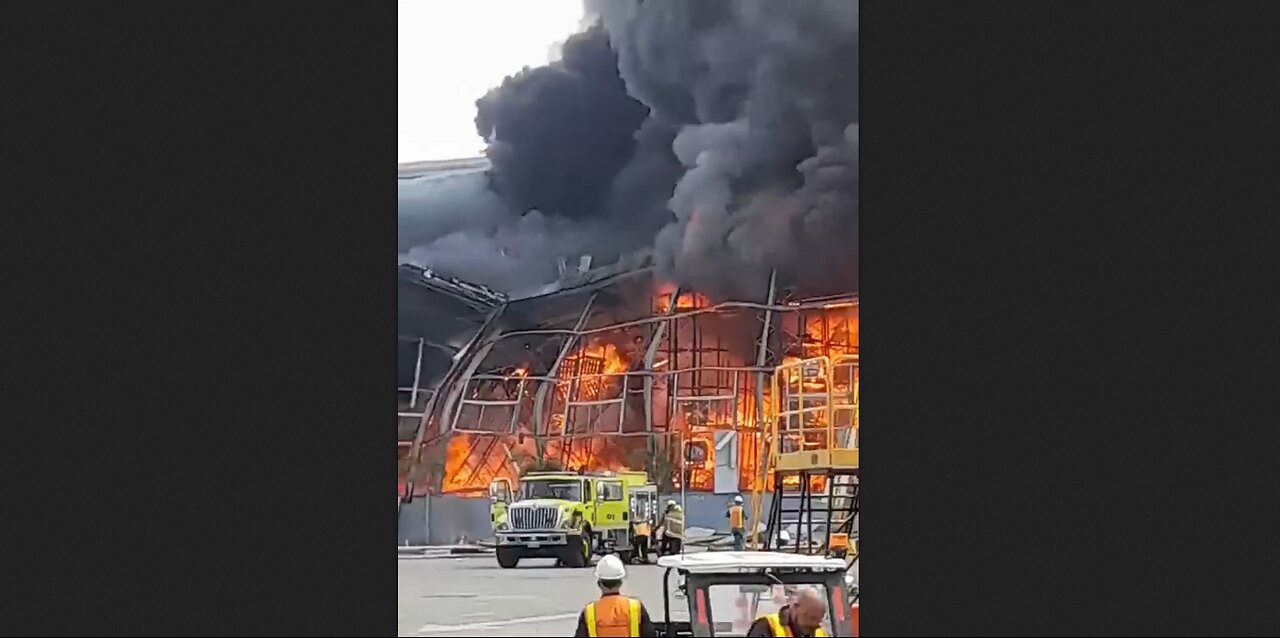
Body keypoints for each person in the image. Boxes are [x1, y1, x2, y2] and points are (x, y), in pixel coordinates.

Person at [573, 554, 656, 637]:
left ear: (599, 584)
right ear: (620, 583)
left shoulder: (590, 611)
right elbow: (650, 634)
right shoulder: (635, 607)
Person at [746, 586, 830, 637]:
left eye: (819, 619)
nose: (815, 624)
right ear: (796, 607)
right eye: (811, 617)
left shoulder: (820, 632)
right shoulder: (767, 626)